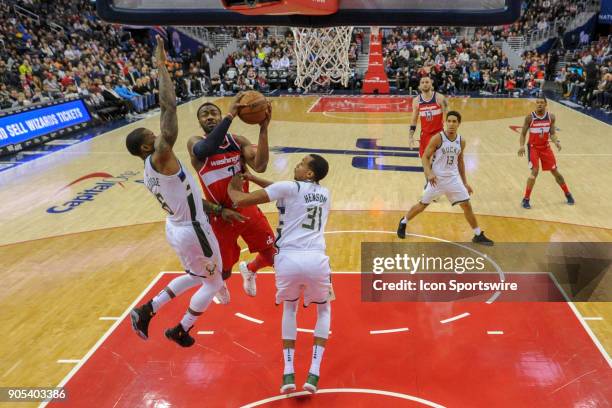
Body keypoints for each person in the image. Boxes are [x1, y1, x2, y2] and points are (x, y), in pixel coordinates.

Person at [126, 36, 232, 347]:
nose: (160, 135)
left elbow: (186, 197)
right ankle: (182, 328)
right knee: (213, 282)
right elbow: (169, 106)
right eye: (154, 135)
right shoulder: (160, 156)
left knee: (198, 276)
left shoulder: (150, 168)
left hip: (178, 227)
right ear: (148, 146)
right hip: (192, 230)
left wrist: (215, 210)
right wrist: (161, 64)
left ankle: (148, 309)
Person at [227, 154, 332, 395]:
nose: (297, 164)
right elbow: (284, 190)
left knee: (290, 309)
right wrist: (255, 178)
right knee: (324, 309)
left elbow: (239, 200)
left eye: (302, 163)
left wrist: (232, 180)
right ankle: (313, 374)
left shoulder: (289, 187)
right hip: (316, 259)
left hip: (287, 260)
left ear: (309, 173)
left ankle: (288, 373)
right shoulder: (325, 193)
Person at [187, 99, 275, 302]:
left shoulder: (238, 141)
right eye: (204, 114)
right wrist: (229, 115)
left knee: (271, 254)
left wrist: (263, 129)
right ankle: (220, 284)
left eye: (213, 113)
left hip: (247, 209)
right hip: (221, 216)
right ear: (199, 121)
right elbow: (205, 149)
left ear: (219, 116)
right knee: (224, 270)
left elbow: (260, 166)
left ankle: (250, 269)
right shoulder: (195, 143)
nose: (209, 116)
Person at [397, 111, 494, 245]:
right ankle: (403, 222)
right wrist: (429, 173)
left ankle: (478, 234)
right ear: (445, 123)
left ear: (459, 124)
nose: (451, 124)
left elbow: (460, 161)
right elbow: (425, 156)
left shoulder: (461, 141)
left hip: (453, 180)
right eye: (449, 121)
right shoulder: (438, 138)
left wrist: (465, 183)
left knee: (467, 205)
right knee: (422, 205)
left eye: (454, 121)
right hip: (437, 180)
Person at [518, 96, 574, 208]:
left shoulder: (551, 117)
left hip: (545, 147)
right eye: (537, 102)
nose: (539, 104)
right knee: (534, 172)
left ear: (545, 104)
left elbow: (552, 133)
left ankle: (568, 194)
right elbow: (523, 134)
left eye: (541, 103)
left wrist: (556, 141)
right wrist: (521, 146)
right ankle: (526, 199)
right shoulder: (530, 117)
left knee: (555, 172)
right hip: (533, 147)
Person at [409, 76, 448, 165]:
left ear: (431, 84)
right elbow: (414, 119)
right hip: (425, 135)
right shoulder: (416, 101)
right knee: (425, 164)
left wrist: (448, 134)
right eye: (422, 82)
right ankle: (429, 179)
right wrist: (410, 135)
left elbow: (447, 117)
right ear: (419, 86)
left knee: (438, 164)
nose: (425, 84)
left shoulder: (440, 98)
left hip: (438, 134)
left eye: (427, 82)